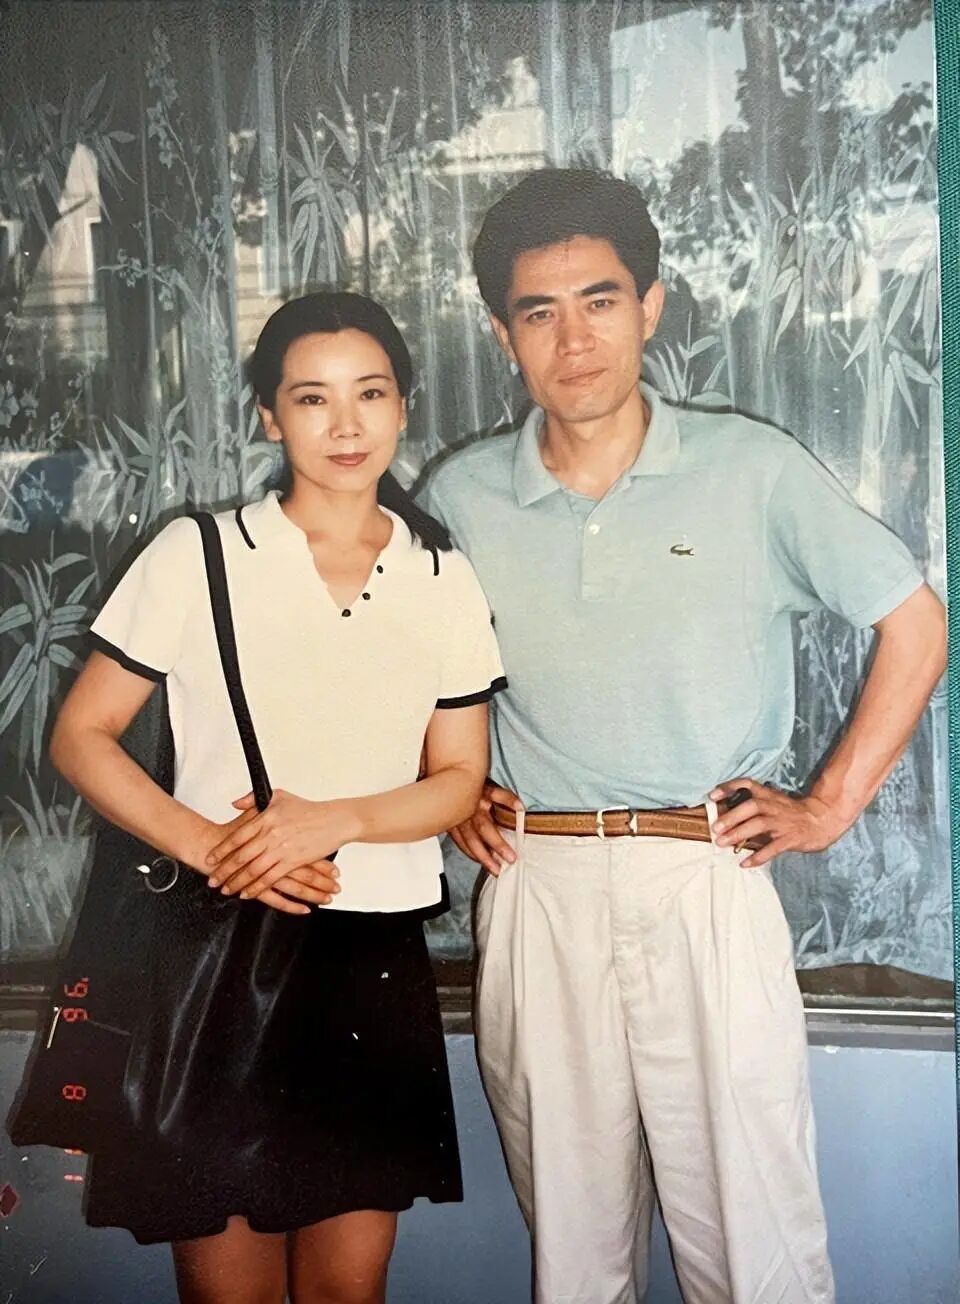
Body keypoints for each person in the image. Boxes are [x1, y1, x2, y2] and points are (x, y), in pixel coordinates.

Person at [418, 169, 946, 1304]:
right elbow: (409, 670)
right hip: (538, 885)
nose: (575, 340)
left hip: (706, 872)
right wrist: (445, 779)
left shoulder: (749, 467)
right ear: (502, 332)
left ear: (651, 307)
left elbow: (915, 623)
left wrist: (829, 804)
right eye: (539, 312)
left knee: (756, 1253)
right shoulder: (459, 497)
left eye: (601, 301)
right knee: (574, 1257)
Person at [49, 291, 505, 1304]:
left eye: (370, 393)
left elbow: (458, 779)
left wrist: (335, 819)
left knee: (350, 1286)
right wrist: (219, 848)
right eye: (311, 397)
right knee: (231, 1293)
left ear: (403, 405)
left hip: (368, 961)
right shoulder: (198, 553)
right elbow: (80, 736)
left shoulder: (442, 575)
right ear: (269, 415)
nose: (345, 424)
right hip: (217, 952)